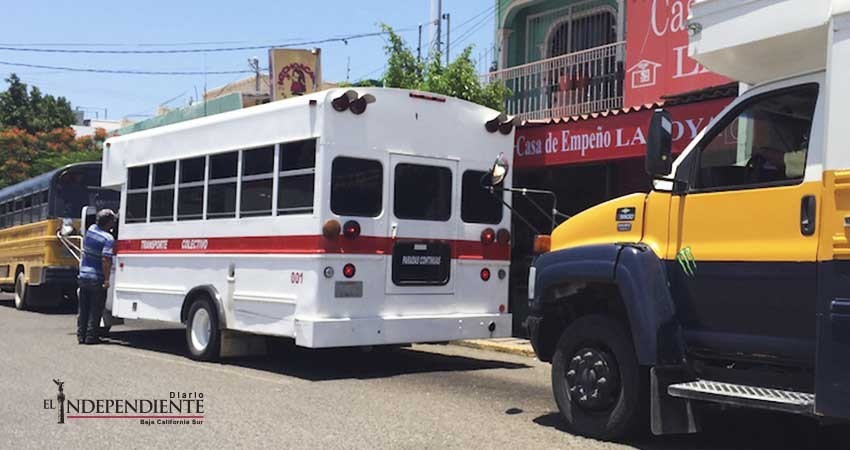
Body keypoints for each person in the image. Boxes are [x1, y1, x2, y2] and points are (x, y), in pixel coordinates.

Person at [77, 209, 115, 345]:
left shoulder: (91, 229)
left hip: (83, 275)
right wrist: (106, 279)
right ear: (108, 222)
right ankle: (91, 337)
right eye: (113, 221)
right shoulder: (108, 239)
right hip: (96, 277)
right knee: (95, 308)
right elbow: (106, 259)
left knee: (83, 307)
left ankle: (81, 335)